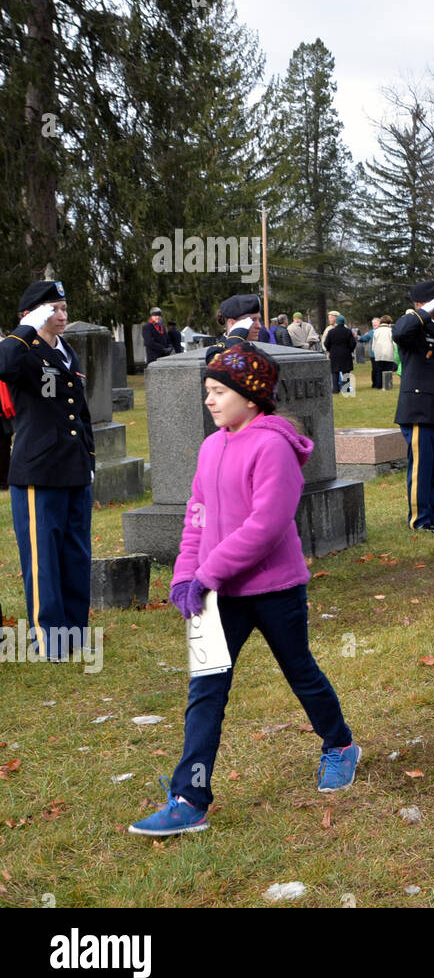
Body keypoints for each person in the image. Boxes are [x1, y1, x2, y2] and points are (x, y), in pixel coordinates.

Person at [127, 343, 360, 836]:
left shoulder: (272, 445)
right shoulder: (212, 446)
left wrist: (208, 573)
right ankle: (190, 799)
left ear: (251, 398)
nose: (209, 401)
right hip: (216, 594)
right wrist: (185, 576)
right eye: (207, 391)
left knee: (300, 671)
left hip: (274, 590)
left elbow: (266, 526)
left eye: (218, 392)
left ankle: (339, 744)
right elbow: (197, 517)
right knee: (205, 691)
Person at [0, 280, 93, 661]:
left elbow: (76, 411)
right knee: (43, 559)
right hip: (39, 470)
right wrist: (25, 327)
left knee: (75, 553)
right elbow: (3, 365)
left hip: (73, 467)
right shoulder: (23, 351)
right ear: (32, 314)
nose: (62, 315)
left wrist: (89, 455)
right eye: (52, 309)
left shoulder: (65, 351)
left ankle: (75, 632)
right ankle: (48, 638)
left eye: (63, 308)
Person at [393, 280, 434, 533]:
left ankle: (433, 512)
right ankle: (419, 517)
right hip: (419, 407)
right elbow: (400, 333)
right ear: (423, 301)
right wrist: (423, 311)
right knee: (422, 465)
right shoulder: (412, 322)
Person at [204, 293, 274, 362]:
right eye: (252, 320)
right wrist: (236, 336)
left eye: (259, 320)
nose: (259, 326)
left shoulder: (255, 349)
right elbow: (228, 366)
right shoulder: (216, 352)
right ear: (232, 323)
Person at [323, 313, 357, 394]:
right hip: (345, 354)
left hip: (334, 354)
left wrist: (329, 350)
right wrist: (350, 350)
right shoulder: (348, 331)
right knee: (346, 372)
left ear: (337, 322)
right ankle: (346, 389)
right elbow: (353, 343)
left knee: (335, 372)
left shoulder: (331, 332)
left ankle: (335, 389)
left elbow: (326, 343)